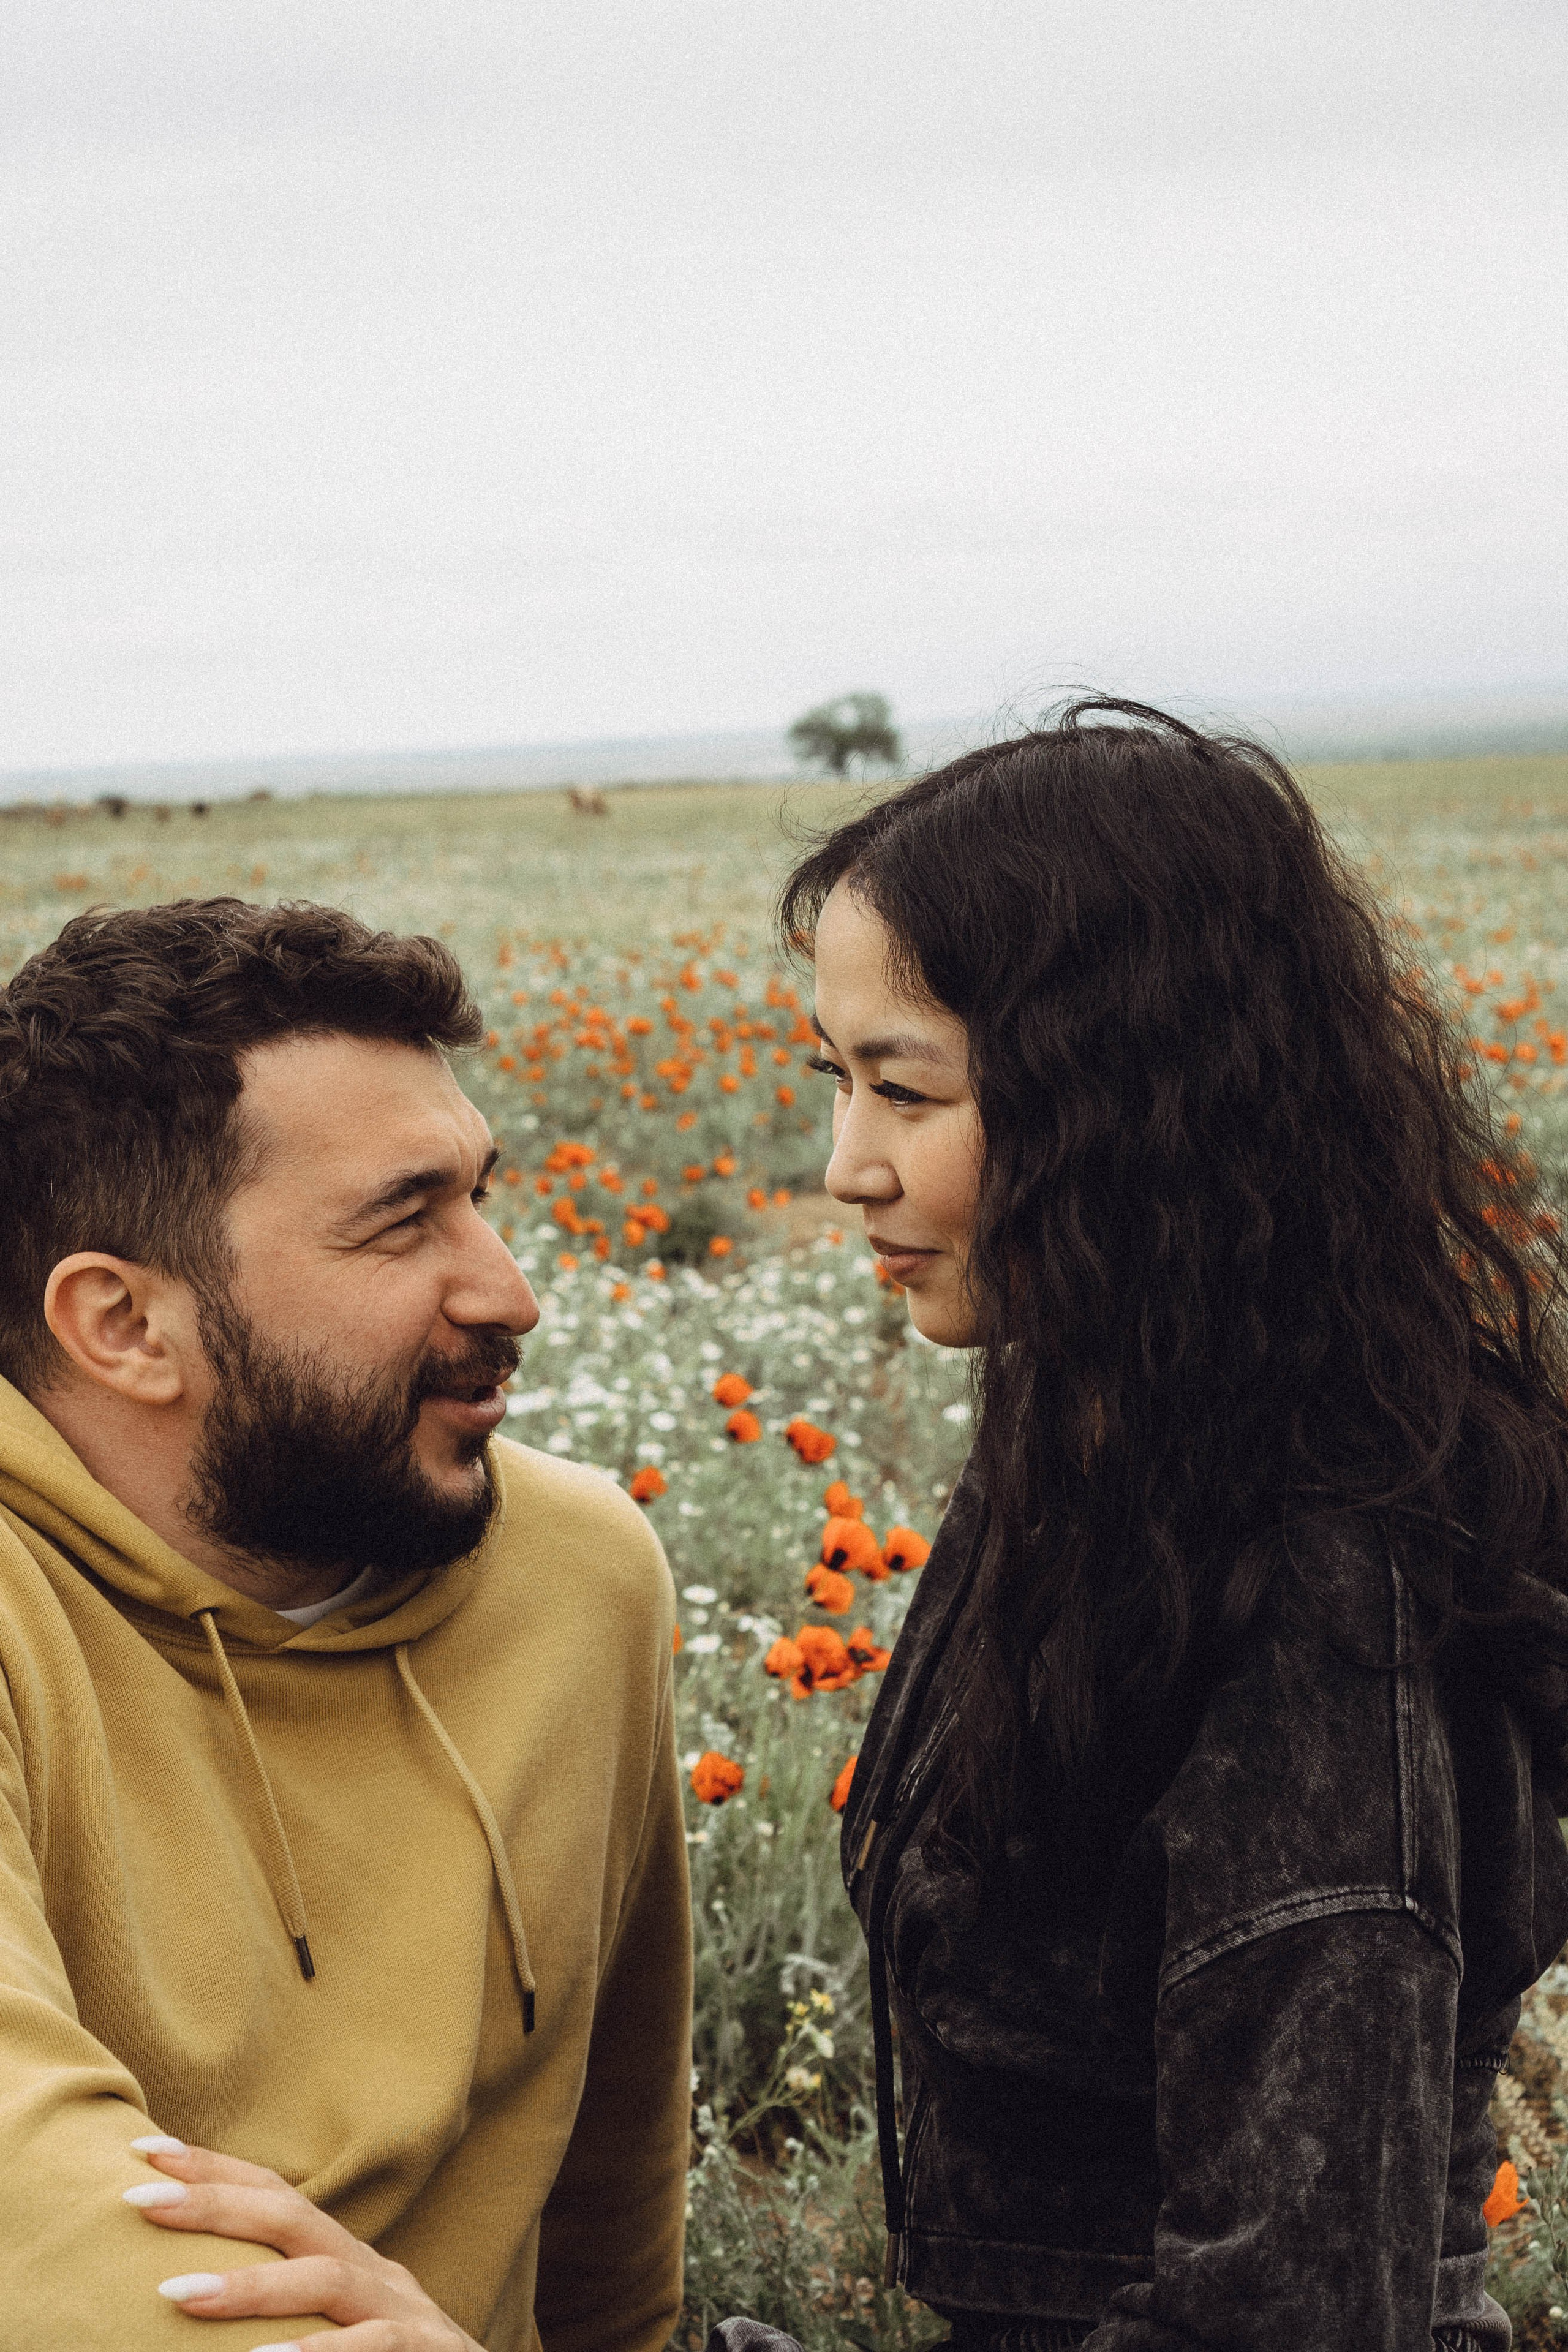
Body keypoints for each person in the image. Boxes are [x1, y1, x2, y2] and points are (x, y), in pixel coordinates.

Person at [764, 701, 1568, 2350]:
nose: (846, 1165)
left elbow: (1289, 2318)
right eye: (836, 1079)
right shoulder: (1115, 1434)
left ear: (1118, 1105)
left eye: (903, 1091)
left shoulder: (1320, 1609)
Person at [0, 898, 691, 2351]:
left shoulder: (581, 1576)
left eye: (478, 1196)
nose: (509, 1292)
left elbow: (612, 2208)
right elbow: (31, 2209)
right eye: (401, 1222)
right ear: (123, 1326)